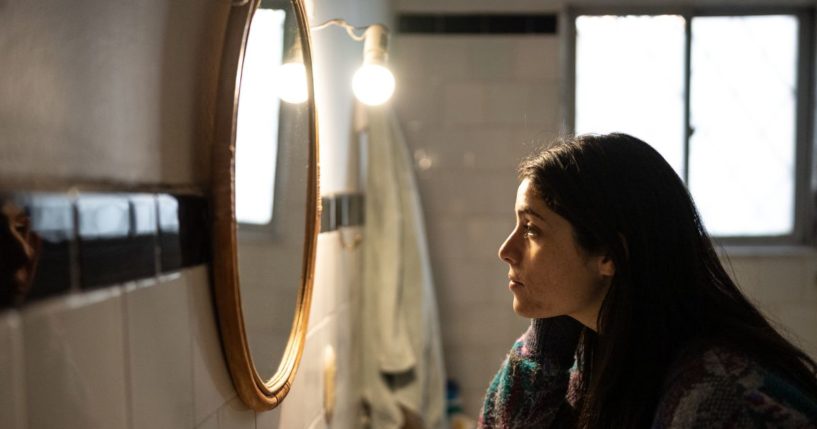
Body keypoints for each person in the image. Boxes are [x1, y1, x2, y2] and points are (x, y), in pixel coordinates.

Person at [479, 133, 817, 428]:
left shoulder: (719, 399)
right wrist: (545, 344)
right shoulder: (594, 356)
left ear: (610, 255)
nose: (506, 250)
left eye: (532, 230)